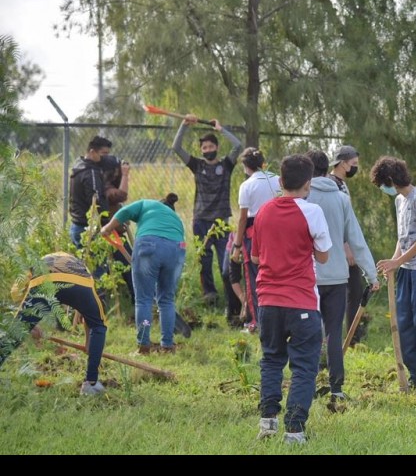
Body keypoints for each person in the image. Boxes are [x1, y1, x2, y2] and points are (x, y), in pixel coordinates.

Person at [251, 155, 331, 445]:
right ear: (308, 184)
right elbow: (323, 256)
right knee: (304, 366)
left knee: (271, 359)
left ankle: (268, 422)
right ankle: (295, 431)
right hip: (301, 302)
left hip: (268, 301)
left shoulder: (263, 211)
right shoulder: (312, 211)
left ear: (281, 181)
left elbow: (255, 257)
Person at [306, 150, 379, 408]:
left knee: (310, 332)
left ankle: (308, 383)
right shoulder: (341, 198)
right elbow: (357, 241)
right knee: (334, 332)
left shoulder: (303, 198)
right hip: (337, 277)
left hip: (309, 277)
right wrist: (372, 275)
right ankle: (336, 389)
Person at [371, 155, 416, 391]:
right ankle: (415, 374)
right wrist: (394, 263)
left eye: (383, 183)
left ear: (391, 179)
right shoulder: (399, 200)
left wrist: (398, 261)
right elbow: (403, 238)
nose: (383, 189)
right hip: (406, 269)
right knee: (405, 324)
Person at [2, 252, 108, 396]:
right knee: (99, 326)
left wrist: (27, 323)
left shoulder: (39, 262)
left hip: (43, 282)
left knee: (16, 331)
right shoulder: (81, 267)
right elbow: (91, 319)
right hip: (80, 284)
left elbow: (16, 292)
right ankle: (91, 383)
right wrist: (90, 342)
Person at [101, 193, 187, 355]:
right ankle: (167, 346)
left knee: (144, 299)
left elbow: (124, 212)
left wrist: (107, 228)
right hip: (177, 249)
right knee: (167, 300)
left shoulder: (147, 204)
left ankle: (143, 346)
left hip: (149, 244)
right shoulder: (175, 217)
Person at [172, 115, 243, 305]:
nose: (208, 150)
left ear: (217, 148)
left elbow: (238, 146)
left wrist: (221, 129)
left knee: (225, 262)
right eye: (204, 148)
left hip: (221, 221)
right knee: (204, 261)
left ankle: (232, 297)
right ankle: (209, 295)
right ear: (201, 151)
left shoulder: (226, 165)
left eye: (211, 147)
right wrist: (184, 125)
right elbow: (176, 148)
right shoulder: (197, 165)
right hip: (201, 220)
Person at [230, 147, 281, 331]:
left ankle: (256, 322)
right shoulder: (277, 179)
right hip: (277, 233)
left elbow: (243, 218)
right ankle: (276, 320)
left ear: (245, 166)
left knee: (253, 278)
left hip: (254, 234)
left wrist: (237, 245)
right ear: (262, 163)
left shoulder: (247, 185)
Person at [329, 144, 371, 344]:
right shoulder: (333, 184)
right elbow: (338, 220)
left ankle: (354, 333)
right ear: (343, 163)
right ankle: (350, 336)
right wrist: (347, 247)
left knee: (354, 289)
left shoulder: (341, 184)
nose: (355, 167)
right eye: (353, 163)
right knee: (351, 289)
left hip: (344, 244)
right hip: (339, 247)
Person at [69, 135, 113, 249]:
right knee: (95, 260)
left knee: (81, 260)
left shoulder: (78, 166)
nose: (106, 158)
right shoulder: (90, 172)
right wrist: (107, 221)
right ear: (92, 152)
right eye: (104, 154)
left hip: (76, 225)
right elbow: (95, 200)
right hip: (86, 229)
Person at [102, 155, 135, 305]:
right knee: (130, 266)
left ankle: (137, 301)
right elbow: (121, 195)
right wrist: (125, 175)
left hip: (115, 234)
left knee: (130, 267)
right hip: (110, 236)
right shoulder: (105, 187)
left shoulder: (107, 185)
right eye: (118, 171)